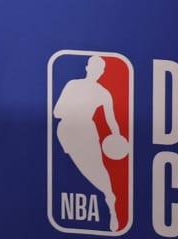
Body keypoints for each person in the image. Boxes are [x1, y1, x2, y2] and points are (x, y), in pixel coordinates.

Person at [52, 56, 125, 232]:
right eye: (94, 67)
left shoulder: (103, 93)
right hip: (66, 131)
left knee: (97, 168)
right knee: (83, 169)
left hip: (87, 132)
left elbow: (111, 120)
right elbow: (56, 112)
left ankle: (110, 200)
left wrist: (117, 137)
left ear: (102, 72)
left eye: (100, 69)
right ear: (87, 68)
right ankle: (108, 195)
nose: (97, 71)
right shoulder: (72, 85)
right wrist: (74, 111)